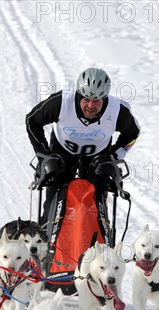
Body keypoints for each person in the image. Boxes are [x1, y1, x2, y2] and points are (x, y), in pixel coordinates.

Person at [26, 67, 140, 222]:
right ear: (78, 95)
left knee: (97, 208)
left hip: (97, 157)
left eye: (97, 101)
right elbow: (32, 121)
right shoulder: (61, 102)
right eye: (86, 99)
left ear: (105, 98)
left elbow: (132, 133)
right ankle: (46, 235)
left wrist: (113, 156)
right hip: (62, 154)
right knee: (52, 208)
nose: (91, 106)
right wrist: (45, 156)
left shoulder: (117, 110)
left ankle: (99, 240)